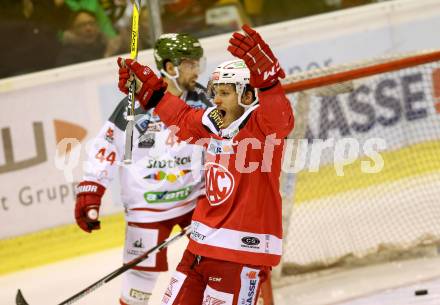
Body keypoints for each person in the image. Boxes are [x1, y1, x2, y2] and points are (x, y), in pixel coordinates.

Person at [117, 24, 294, 305]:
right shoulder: (215, 122)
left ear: (247, 97)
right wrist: (151, 94)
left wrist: (270, 82)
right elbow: (182, 117)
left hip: (239, 254)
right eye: (215, 91)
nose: (216, 99)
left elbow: (281, 118)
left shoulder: (262, 127)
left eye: (225, 92)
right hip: (200, 249)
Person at [74, 33, 211, 305]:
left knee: (214, 264)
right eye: (190, 64)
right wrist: (91, 190)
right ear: (170, 68)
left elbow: (230, 133)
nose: (197, 70)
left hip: (196, 201)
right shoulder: (133, 104)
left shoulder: (205, 98)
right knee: (141, 279)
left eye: (198, 63)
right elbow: (106, 145)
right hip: (147, 206)